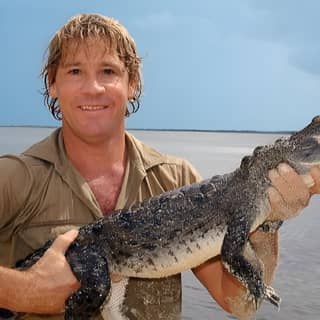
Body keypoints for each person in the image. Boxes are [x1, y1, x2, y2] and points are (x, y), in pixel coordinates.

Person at [0, 13, 319, 320]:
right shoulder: (13, 178)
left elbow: (237, 303)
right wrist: (25, 291)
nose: (93, 87)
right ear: (52, 84)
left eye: (108, 71)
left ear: (132, 84)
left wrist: (268, 221)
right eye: (74, 71)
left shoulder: (178, 178)